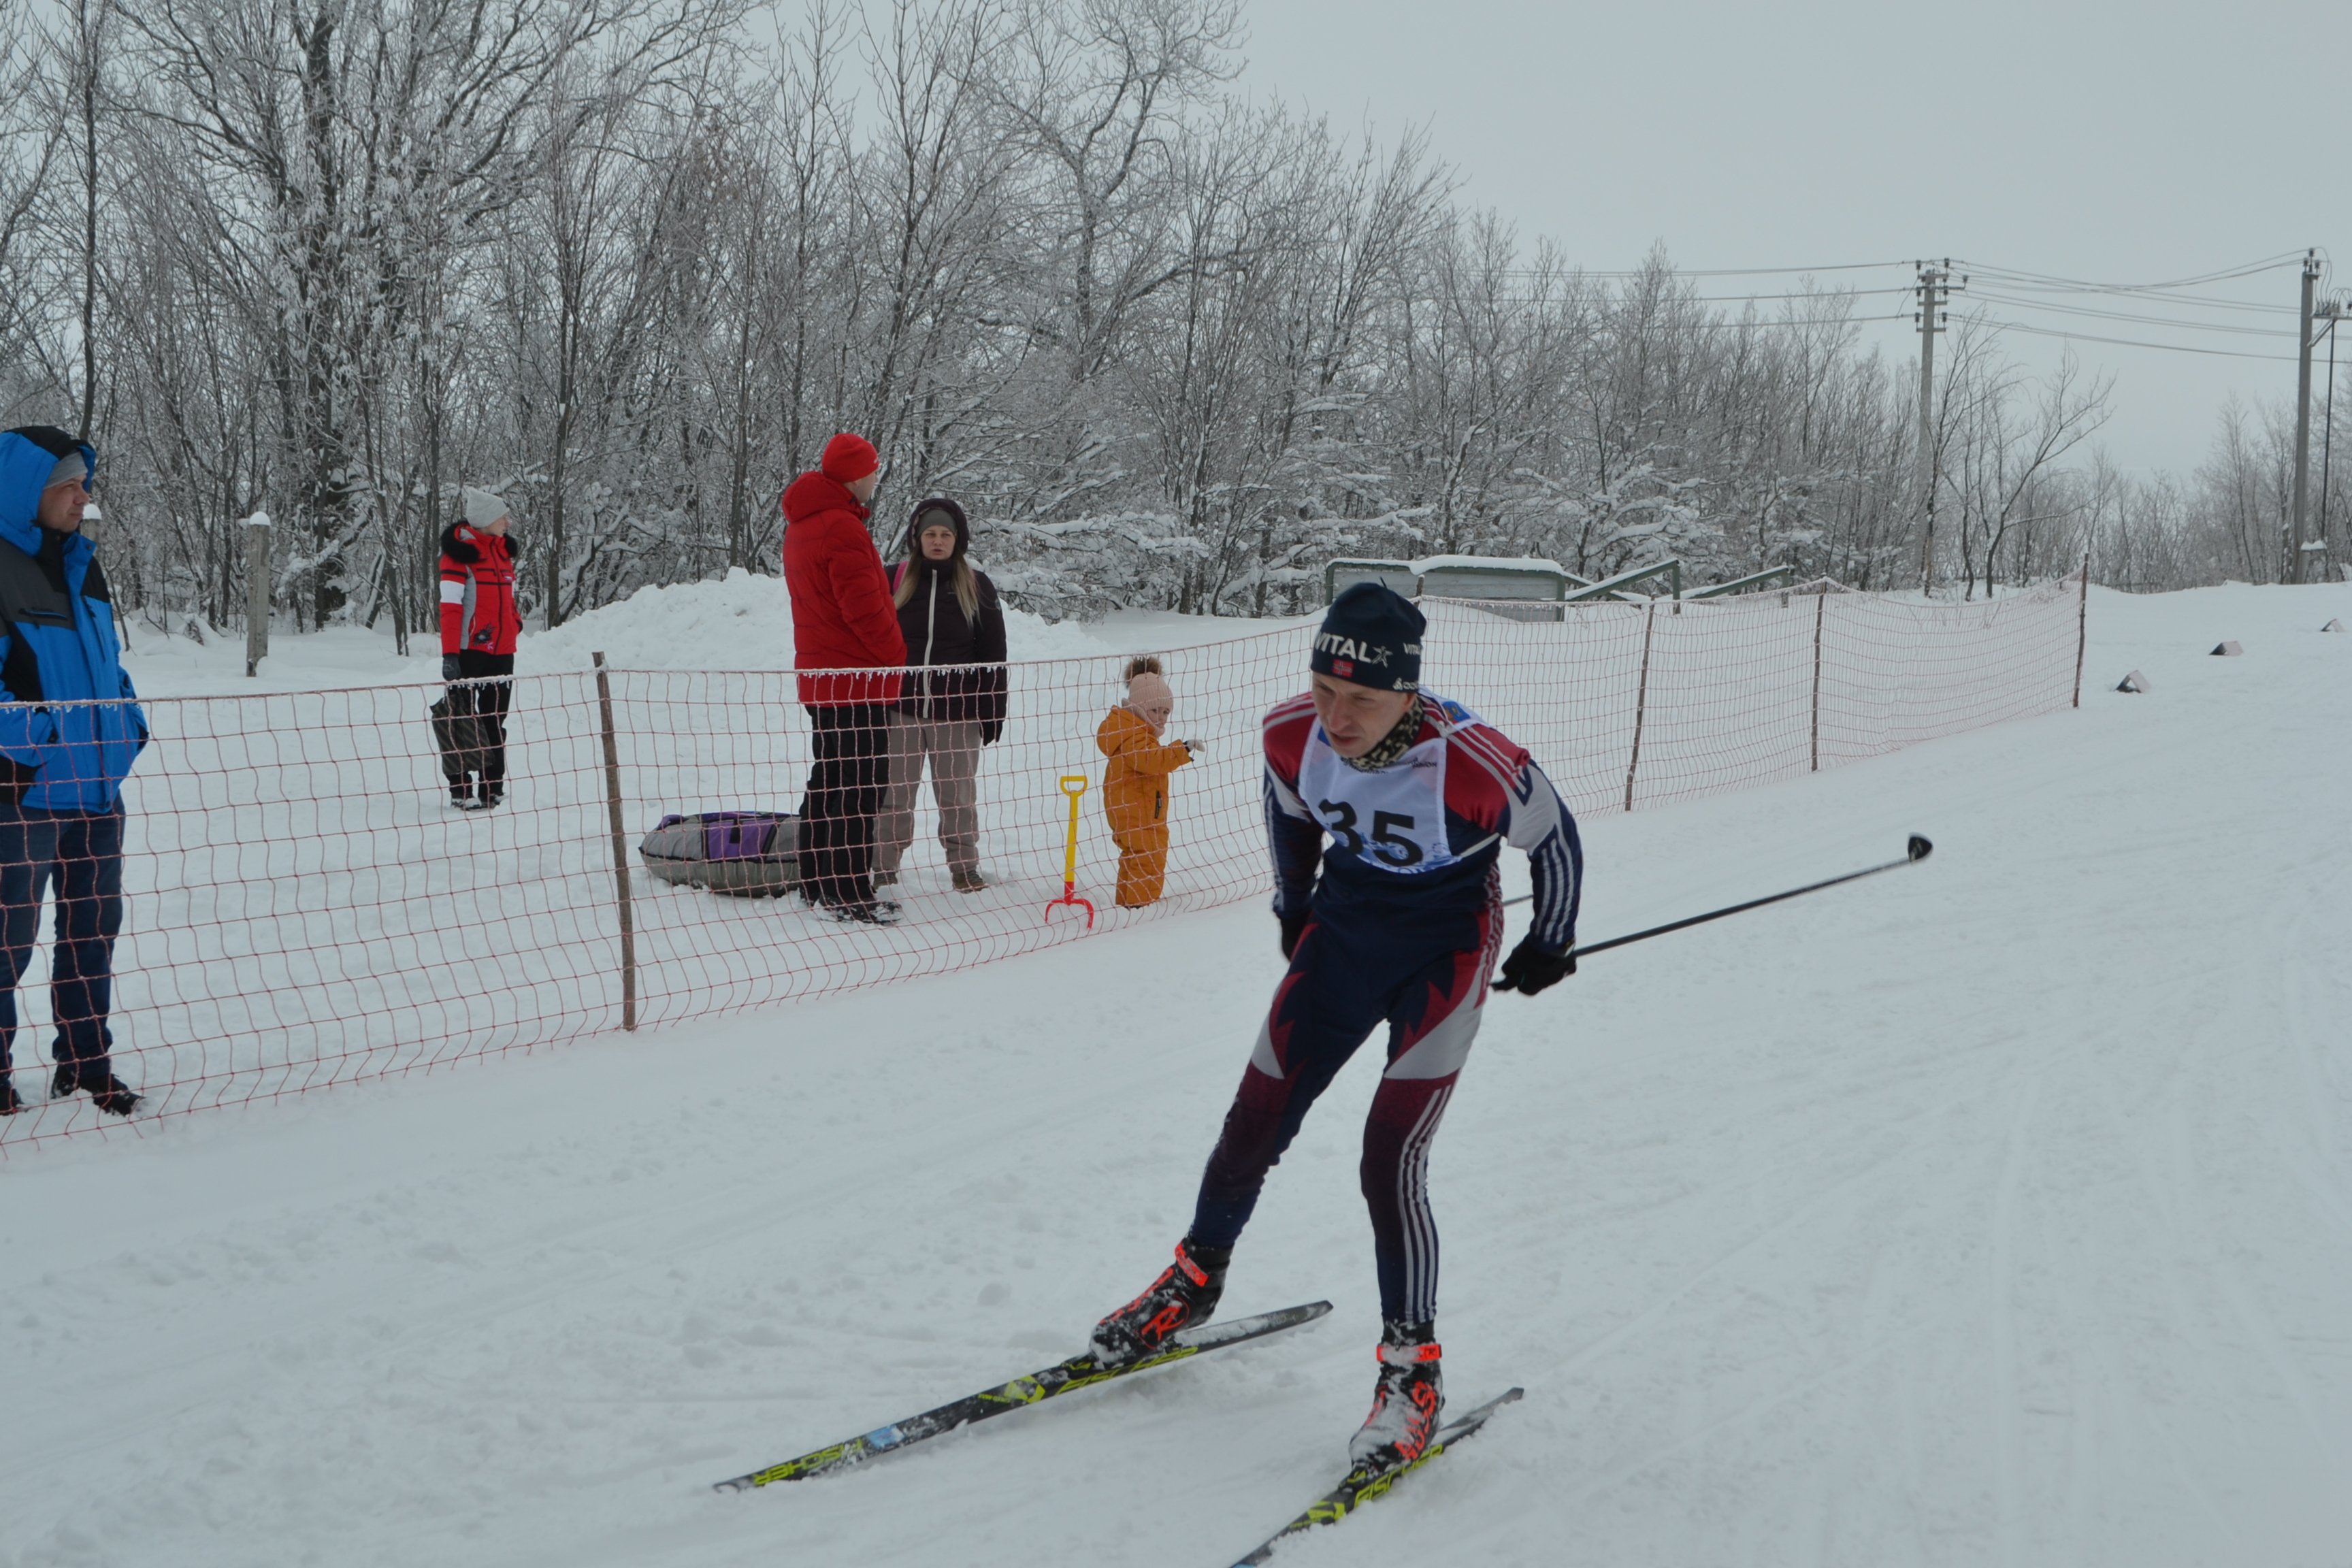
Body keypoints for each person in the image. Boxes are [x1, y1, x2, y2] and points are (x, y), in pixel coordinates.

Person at [1085, 583, 1582, 1473]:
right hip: (1344, 934)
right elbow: (1289, 809)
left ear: (1407, 692)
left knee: (1389, 1156)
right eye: (1325, 689)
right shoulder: (1291, 732)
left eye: (1362, 698)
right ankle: (1194, 1282)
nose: (1338, 716)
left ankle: (1412, 1369)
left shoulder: (1467, 756)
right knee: (1254, 1118)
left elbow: (1555, 836)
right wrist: (1291, 903)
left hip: (1446, 950)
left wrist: (1551, 940)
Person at [0, 425, 148, 1117]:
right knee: (7, 940)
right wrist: (40, 736)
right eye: (69, 486)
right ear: (30, 491)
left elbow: (107, 665)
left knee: (92, 934)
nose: (82, 497)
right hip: (23, 794)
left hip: (97, 789)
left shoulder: (84, 564)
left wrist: (128, 724)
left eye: (82, 484)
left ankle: (87, 1066)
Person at [780, 433, 905, 924]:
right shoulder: (841, 528)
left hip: (823, 678)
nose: (876, 477)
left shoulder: (804, 525)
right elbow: (865, 612)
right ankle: (850, 892)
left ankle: (817, 880)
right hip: (856, 681)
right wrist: (897, 657)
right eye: (873, 469)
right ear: (856, 475)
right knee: (860, 786)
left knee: (830, 778)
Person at [875, 497, 1007, 894]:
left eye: (945, 535)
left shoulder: (976, 584)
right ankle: (882, 869)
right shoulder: (893, 578)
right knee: (893, 797)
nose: (937, 541)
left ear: (957, 539)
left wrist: (992, 709)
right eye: (930, 534)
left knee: (958, 798)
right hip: (901, 710)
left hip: (957, 713)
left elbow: (993, 652)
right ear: (917, 538)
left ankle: (964, 867)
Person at [438, 488, 521, 809]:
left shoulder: (502, 552)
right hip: (468, 651)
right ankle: (461, 790)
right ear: (487, 520)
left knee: (495, 720)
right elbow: (450, 607)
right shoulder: (459, 555)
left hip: (503, 651)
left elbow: (507, 599)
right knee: (459, 720)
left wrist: (515, 622)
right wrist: (450, 654)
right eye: (503, 517)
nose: (507, 522)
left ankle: (492, 787)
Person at [1094, 657, 1194, 908]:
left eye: (1166, 712)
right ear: (1139, 707)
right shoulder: (1133, 736)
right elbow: (1152, 760)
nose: (1161, 718)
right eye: (1155, 711)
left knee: (1136, 857)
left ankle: (1127, 905)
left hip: (1138, 811)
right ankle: (1141, 909)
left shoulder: (1131, 731)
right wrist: (1181, 750)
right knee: (1148, 858)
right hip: (1138, 814)